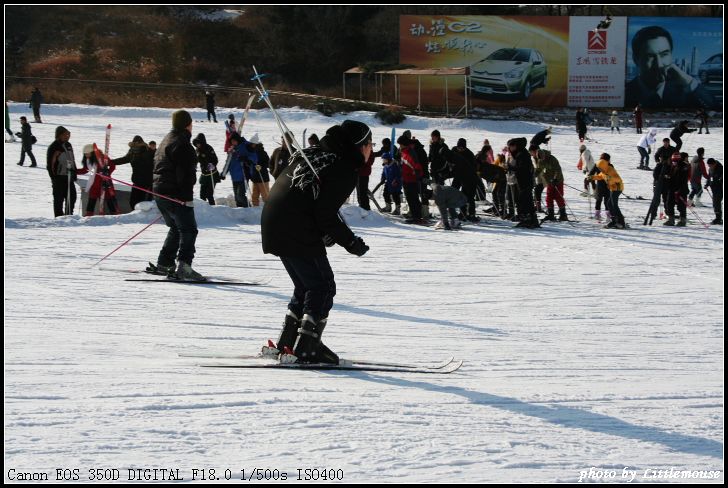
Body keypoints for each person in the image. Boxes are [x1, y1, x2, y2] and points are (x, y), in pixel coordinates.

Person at [260, 120, 372, 364]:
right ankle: (307, 347)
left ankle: (288, 342)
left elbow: (307, 198)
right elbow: (325, 214)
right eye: (370, 144)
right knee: (322, 286)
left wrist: (328, 231)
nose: (371, 149)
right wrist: (350, 242)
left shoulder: (313, 153)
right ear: (360, 146)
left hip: (273, 222)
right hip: (294, 226)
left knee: (306, 286)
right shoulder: (344, 167)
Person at [152, 110, 203, 280]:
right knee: (189, 230)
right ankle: (184, 267)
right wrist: (186, 199)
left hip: (159, 191)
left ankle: (164, 263)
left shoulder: (167, 139)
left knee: (176, 227)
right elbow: (185, 175)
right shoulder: (183, 144)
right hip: (176, 194)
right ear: (188, 125)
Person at [625, 26, 715, 109]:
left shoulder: (685, 90)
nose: (659, 64)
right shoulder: (624, 93)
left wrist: (689, 82)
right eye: (650, 56)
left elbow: (714, 109)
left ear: (671, 55)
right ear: (635, 59)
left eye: (664, 54)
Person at [110, 135, 155, 209]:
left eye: (137, 144)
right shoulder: (132, 152)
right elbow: (124, 159)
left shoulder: (147, 151)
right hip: (137, 181)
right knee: (133, 203)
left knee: (144, 204)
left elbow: (155, 160)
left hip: (147, 182)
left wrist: (153, 151)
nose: (135, 147)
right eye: (134, 145)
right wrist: (110, 162)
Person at [77, 144, 119, 216]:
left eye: (88, 154)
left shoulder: (102, 158)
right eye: (85, 154)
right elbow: (85, 170)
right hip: (94, 183)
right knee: (92, 199)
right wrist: (74, 171)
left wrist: (107, 172)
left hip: (105, 183)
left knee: (108, 199)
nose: (86, 155)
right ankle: (89, 215)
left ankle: (114, 214)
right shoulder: (88, 160)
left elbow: (113, 165)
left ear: (92, 153)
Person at [508, 137, 539, 228]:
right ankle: (532, 219)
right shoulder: (521, 153)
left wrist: (511, 167)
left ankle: (527, 219)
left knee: (524, 200)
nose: (510, 148)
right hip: (524, 181)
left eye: (511, 146)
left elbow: (522, 169)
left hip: (525, 181)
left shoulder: (521, 154)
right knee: (527, 200)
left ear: (516, 146)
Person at [589, 153, 625, 229]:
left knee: (613, 205)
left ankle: (621, 222)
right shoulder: (604, 171)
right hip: (612, 188)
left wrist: (610, 178)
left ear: (604, 165)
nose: (600, 170)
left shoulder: (610, 170)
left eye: (600, 168)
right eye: (599, 168)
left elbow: (618, 179)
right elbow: (600, 177)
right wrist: (592, 177)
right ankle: (614, 220)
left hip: (617, 188)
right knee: (609, 204)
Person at [46, 126, 77, 217]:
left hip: (69, 176)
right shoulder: (54, 147)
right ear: (59, 135)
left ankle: (69, 215)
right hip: (59, 177)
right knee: (59, 199)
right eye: (65, 135)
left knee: (72, 197)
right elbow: (50, 164)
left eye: (68, 135)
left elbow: (72, 159)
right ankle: (59, 217)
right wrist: (54, 177)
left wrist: (74, 171)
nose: (67, 136)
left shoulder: (68, 145)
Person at [532, 147, 567, 222]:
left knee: (558, 196)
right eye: (540, 158)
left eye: (542, 158)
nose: (542, 159)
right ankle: (551, 214)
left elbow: (557, 170)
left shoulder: (552, 159)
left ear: (544, 155)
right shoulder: (540, 160)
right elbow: (539, 169)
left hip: (558, 180)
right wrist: (533, 175)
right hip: (549, 181)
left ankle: (563, 214)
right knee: (549, 197)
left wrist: (555, 178)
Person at [398, 134, 424, 223]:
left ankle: (417, 217)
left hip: (412, 179)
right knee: (410, 198)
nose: (399, 146)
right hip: (405, 178)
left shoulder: (410, 152)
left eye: (400, 144)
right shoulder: (403, 152)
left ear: (404, 144)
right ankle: (415, 216)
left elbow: (417, 165)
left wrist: (417, 175)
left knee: (413, 199)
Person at [222, 133, 251, 208]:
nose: (233, 142)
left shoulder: (244, 147)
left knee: (240, 195)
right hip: (234, 176)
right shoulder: (231, 150)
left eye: (234, 141)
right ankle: (240, 212)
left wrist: (245, 159)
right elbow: (228, 162)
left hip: (243, 175)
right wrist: (223, 174)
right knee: (237, 197)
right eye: (231, 141)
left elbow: (252, 158)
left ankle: (248, 210)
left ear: (238, 140)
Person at [662, 152, 690, 227]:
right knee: (669, 203)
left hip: (681, 189)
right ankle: (671, 219)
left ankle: (682, 220)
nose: (674, 162)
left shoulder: (684, 167)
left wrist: (679, 190)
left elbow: (683, 180)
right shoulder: (671, 165)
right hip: (672, 188)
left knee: (681, 205)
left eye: (676, 160)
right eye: (673, 160)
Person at [192, 133, 220, 206]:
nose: (198, 145)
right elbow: (195, 160)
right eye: (197, 143)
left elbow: (215, 159)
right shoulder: (197, 150)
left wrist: (212, 164)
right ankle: (204, 210)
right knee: (202, 195)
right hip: (204, 174)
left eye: (199, 143)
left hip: (212, 174)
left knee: (209, 194)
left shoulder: (209, 148)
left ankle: (213, 208)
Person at [250, 136, 271, 206]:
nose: (251, 145)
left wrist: (261, 167)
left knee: (265, 195)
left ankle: (268, 209)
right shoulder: (251, 153)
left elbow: (268, 164)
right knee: (254, 196)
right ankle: (255, 209)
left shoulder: (263, 153)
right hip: (255, 178)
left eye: (252, 143)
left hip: (263, 178)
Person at [705, 158, 722, 225]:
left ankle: (718, 218)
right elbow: (709, 178)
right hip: (714, 189)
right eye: (708, 165)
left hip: (720, 188)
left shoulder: (721, 169)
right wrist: (707, 184)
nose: (709, 167)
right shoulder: (710, 169)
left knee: (717, 203)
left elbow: (718, 179)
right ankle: (718, 218)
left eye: (710, 165)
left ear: (714, 163)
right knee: (715, 203)